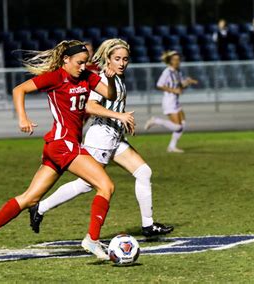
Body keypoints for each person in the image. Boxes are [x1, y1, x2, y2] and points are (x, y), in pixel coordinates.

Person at [0, 40, 133, 262]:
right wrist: (23, 118)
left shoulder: (87, 76)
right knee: (106, 185)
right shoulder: (56, 78)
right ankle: (92, 240)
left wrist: (112, 79)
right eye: (79, 62)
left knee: (29, 198)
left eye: (85, 63)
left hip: (61, 146)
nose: (83, 67)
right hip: (63, 144)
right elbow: (19, 89)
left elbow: (110, 95)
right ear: (66, 60)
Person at [28, 39, 174, 238]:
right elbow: (90, 106)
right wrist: (119, 116)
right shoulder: (103, 78)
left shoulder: (117, 77)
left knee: (143, 172)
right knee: (86, 184)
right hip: (101, 138)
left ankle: (148, 225)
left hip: (115, 137)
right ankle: (40, 208)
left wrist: (122, 121)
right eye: (117, 59)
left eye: (125, 59)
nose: (122, 63)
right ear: (107, 59)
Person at [144, 51, 197, 153]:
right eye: (175, 59)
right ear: (171, 61)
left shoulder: (177, 72)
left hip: (175, 101)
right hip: (169, 101)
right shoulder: (167, 72)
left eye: (178, 59)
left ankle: (172, 146)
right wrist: (174, 90)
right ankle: (155, 120)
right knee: (177, 126)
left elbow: (180, 86)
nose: (177, 61)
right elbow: (159, 85)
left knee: (183, 124)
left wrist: (188, 82)